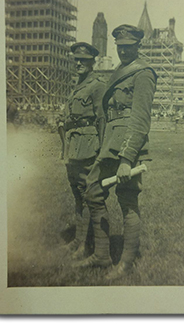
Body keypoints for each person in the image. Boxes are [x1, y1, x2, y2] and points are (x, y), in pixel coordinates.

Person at [74, 25, 157, 281]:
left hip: (126, 149)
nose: (123, 50)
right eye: (119, 46)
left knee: (128, 200)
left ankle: (126, 264)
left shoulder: (143, 74)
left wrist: (126, 159)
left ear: (137, 46)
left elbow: (141, 119)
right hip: (110, 144)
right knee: (92, 189)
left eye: (128, 46)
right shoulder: (120, 71)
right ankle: (101, 254)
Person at [61, 42, 106, 260]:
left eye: (84, 60)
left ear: (92, 62)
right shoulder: (78, 85)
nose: (79, 63)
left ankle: (89, 247)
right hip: (73, 148)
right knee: (78, 197)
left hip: (88, 150)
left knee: (89, 198)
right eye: (76, 60)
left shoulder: (97, 85)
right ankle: (79, 241)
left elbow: (102, 120)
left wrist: (102, 154)